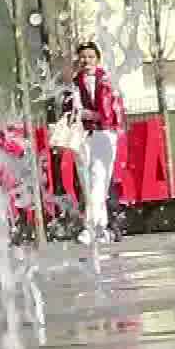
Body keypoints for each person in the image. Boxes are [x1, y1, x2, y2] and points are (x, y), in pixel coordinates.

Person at [64, 42, 126, 244]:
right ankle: (101, 229)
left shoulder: (107, 81)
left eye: (91, 56)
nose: (86, 60)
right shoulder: (74, 83)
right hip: (82, 136)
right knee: (87, 183)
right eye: (83, 57)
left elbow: (109, 113)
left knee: (99, 181)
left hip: (104, 135)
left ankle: (89, 227)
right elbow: (69, 110)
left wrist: (88, 114)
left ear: (98, 59)